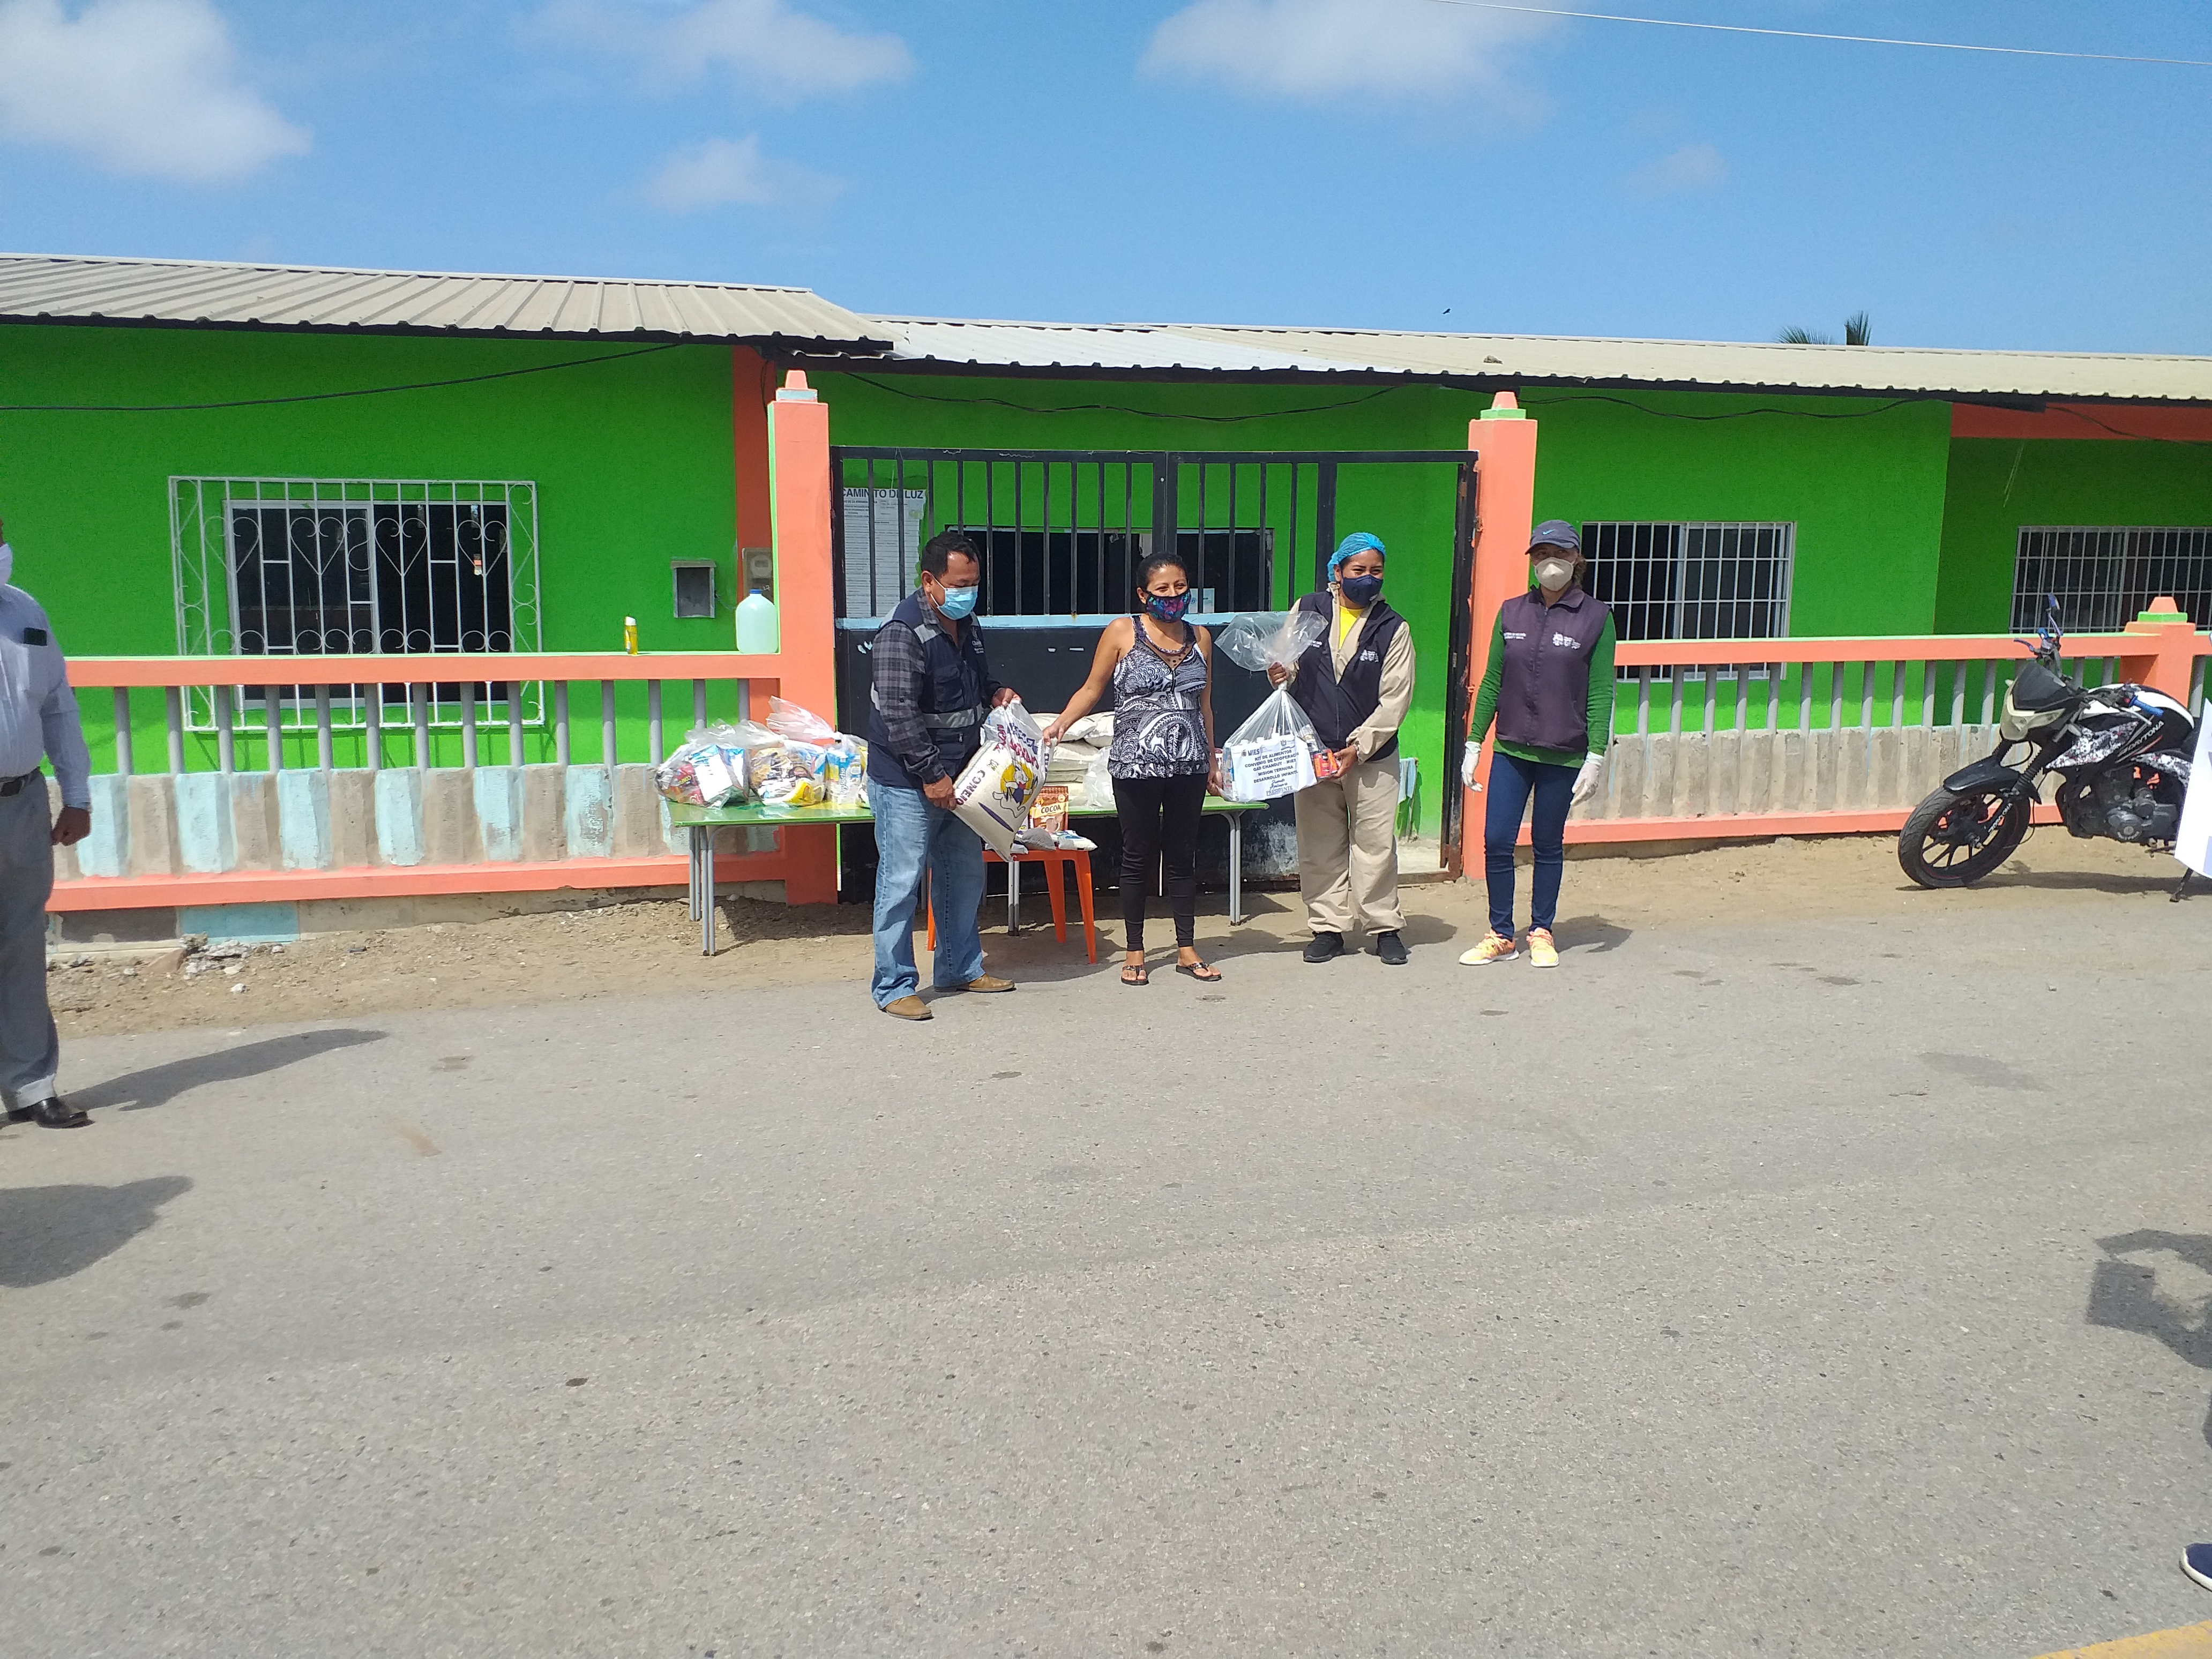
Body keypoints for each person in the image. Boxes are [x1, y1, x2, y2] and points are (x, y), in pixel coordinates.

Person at [1043, 553, 1223, 986]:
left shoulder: (1201, 637)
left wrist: (1212, 760)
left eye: (1180, 587)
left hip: (1189, 764)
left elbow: (1204, 705)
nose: (1173, 596)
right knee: (1137, 855)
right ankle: (1135, 951)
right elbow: (1092, 689)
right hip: (1136, 764)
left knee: (1182, 855)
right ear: (1143, 594)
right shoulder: (1123, 632)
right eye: (1163, 590)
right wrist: (1060, 724)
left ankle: (1186, 949)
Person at [864, 530, 1021, 1021]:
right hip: (908, 781)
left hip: (962, 777)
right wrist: (931, 775)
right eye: (959, 584)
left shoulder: (967, 625)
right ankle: (894, 986)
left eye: (974, 583)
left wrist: (996, 693)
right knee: (901, 882)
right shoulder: (903, 632)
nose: (968, 593)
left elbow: (975, 683)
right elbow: (898, 714)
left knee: (962, 875)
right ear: (929, 580)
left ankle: (959, 967)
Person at [1458, 519, 1616, 969]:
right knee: (1496, 840)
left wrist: (1596, 754)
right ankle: (1500, 934)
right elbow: (1492, 680)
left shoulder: (1596, 618)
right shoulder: (1512, 613)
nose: (1551, 562)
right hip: (1512, 749)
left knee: (1548, 842)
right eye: (1542, 554)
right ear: (1532, 560)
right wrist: (1474, 742)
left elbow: (1601, 691)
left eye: (1561, 554)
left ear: (1576, 559)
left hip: (1563, 752)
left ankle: (1541, 931)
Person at [1269, 532, 1415, 966]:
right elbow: (1289, 664)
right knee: (1319, 843)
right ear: (1338, 571)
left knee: (1375, 844)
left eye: (1376, 571)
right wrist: (1279, 673)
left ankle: (1384, 926)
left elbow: (1396, 699)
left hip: (1372, 755)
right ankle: (1328, 928)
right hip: (1313, 750)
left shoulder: (1393, 627)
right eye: (1358, 570)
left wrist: (1359, 746)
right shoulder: (1308, 610)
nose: (1368, 578)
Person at [0, 513, 93, 1127]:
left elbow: (59, 706)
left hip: (23, 804)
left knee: (22, 944)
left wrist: (76, 795)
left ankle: (31, 1084)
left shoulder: (25, 610)